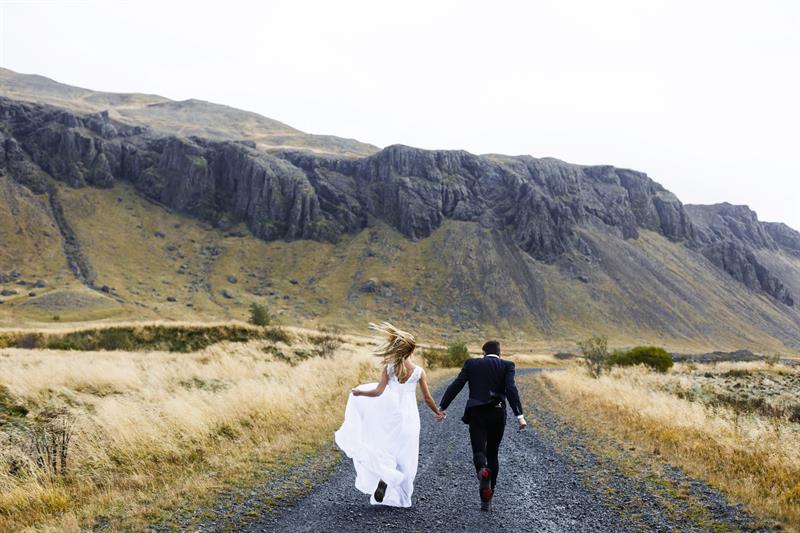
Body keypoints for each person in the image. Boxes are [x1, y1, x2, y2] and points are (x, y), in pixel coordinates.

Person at [334, 322, 444, 508]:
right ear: (411, 350)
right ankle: (400, 493)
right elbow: (427, 398)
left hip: (390, 414)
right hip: (409, 417)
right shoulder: (418, 372)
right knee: (406, 454)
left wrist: (360, 393)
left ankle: (386, 476)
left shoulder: (389, 368)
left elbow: (378, 391)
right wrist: (438, 412)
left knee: (388, 449)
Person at [437, 340, 526, 511]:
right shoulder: (508, 365)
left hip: (477, 413)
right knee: (493, 453)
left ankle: (482, 472)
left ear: (483, 353)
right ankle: (487, 499)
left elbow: (457, 385)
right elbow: (511, 389)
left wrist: (442, 407)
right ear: (499, 353)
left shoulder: (472, 363)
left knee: (479, 451)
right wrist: (519, 416)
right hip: (498, 413)